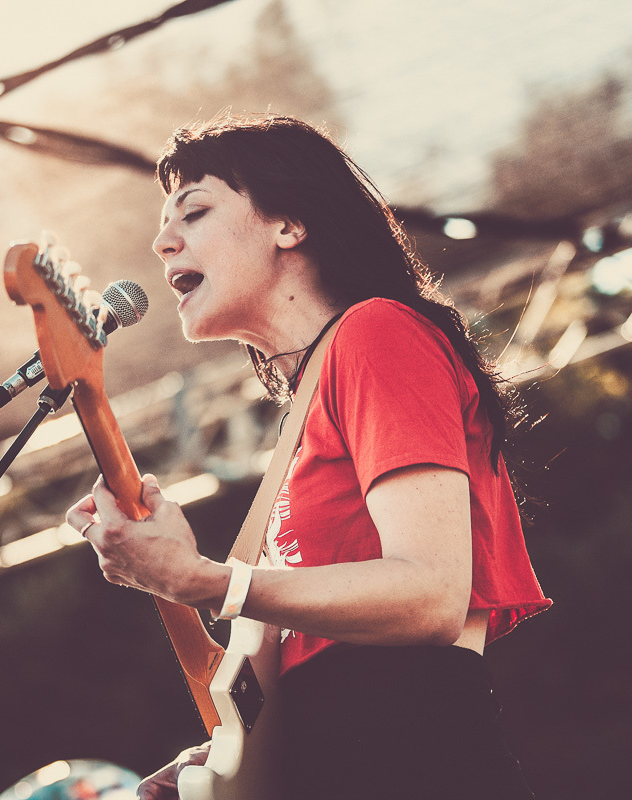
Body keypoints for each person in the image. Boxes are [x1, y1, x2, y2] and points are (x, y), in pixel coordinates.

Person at [66, 112, 551, 800]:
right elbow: (302, 674)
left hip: (418, 760)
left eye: (194, 211)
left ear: (288, 225)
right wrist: (220, 762)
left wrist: (205, 579)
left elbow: (431, 595)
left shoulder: (377, 332)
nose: (162, 240)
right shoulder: (307, 407)